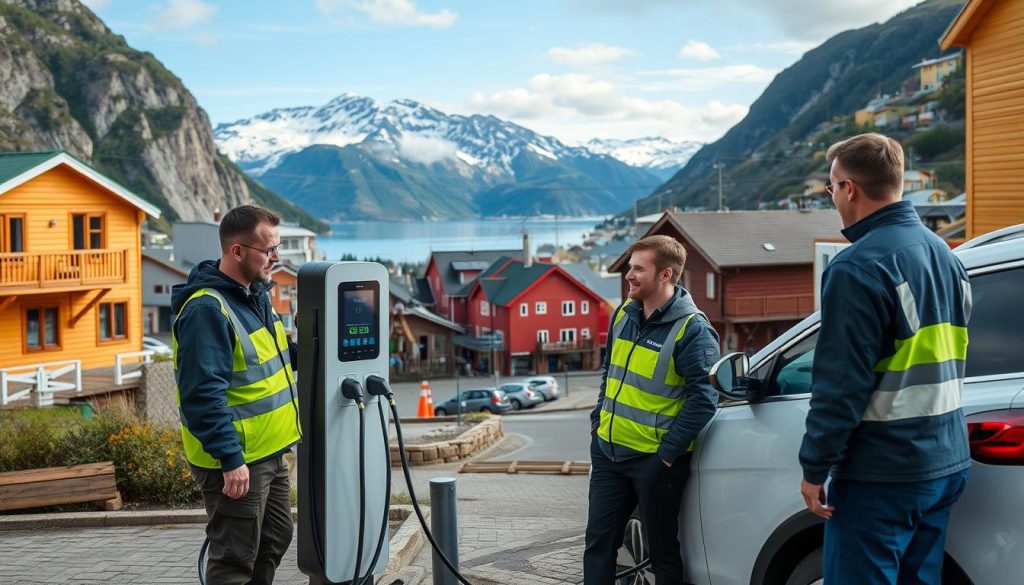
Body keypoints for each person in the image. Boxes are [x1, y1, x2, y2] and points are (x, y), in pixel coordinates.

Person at [799, 133, 972, 585]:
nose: (832, 196)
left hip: (882, 473)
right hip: (946, 460)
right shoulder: (945, 255)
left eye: (831, 187)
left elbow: (840, 385)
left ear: (849, 188)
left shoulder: (858, 266)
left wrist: (814, 467)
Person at [172, 205, 301, 585]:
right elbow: (202, 395)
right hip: (238, 459)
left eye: (277, 249)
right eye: (269, 250)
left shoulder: (255, 295)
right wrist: (230, 458)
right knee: (235, 560)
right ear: (238, 251)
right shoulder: (207, 310)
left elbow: (272, 357)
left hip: (270, 451)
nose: (276, 259)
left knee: (276, 537)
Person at [584, 235, 720, 585]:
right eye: (630, 267)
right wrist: (598, 421)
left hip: (654, 463)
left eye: (638, 269)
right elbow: (609, 373)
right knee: (598, 547)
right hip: (608, 455)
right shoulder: (622, 315)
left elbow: (704, 399)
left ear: (665, 274)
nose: (629, 275)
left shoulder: (693, 330)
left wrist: (665, 456)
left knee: (662, 553)